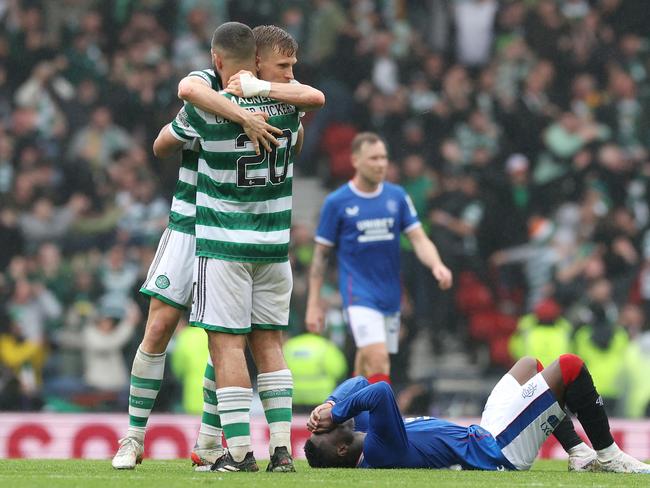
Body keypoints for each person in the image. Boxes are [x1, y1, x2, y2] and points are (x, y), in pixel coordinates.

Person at [112, 23, 324, 470]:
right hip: (190, 223)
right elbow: (187, 90)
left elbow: (299, 127)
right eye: (284, 66)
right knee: (160, 329)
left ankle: (212, 442)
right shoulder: (208, 85)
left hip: (224, 230)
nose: (290, 74)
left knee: (223, 336)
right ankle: (133, 438)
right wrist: (244, 116)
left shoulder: (276, 97)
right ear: (254, 61)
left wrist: (257, 107)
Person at [304, 354, 650, 474]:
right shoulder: (379, 451)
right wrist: (340, 412)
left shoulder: (363, 434)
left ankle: (578, 453)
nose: (322, 427)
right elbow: (380, 391)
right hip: (498, 451)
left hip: (483, 432)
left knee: (530, 366)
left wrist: (332, 404)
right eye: (324, 432)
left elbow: (362, 380)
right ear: (341, 450)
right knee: (570, 367)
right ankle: (608, 456)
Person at [305, 132, 452, 384]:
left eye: (383, 158)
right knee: (379, 359)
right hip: (358, 293)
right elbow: (321, 256)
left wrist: (437, 264)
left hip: (390, 294)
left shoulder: (396, 197)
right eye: (373, 158)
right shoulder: (338, 202)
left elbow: (418, 238)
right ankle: (378, 422)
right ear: (355, 160)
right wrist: (313, 303)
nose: (381, 164)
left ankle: (350, 416)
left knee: (365, 359)